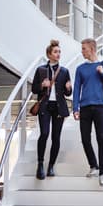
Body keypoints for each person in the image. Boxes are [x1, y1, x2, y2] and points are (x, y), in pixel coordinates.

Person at [73, 38, 103, 186]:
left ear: (92, 49)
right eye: (82, 49)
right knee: (85, 139)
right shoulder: (80, 69)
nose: (82, 51)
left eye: (84, 49)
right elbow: (76, 90)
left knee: (102, 140)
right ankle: (94, 165)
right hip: (85, 108)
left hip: (100, 107)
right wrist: (75, 108)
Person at [32, 39, 72, 180]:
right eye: (55, 52)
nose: (58, 54)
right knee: (44, 134)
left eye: (59, 52)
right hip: (45, 106)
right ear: (49, 54)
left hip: (59, 107)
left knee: (56, 137)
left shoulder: (65, 71)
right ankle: (40, 165)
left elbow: (68, 94)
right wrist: (42, 85)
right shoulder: (41, 70)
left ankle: (51, 166)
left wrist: (69, 88)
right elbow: (34, 89)